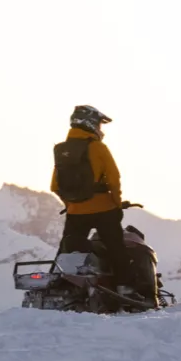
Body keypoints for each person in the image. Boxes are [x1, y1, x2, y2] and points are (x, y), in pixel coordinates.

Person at [50, 105, 133, 292]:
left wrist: (71, 204)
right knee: (115, 248)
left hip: (75, 212)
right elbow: (113, 178)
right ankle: (124, 287)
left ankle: (58, 286)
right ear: (91, 124)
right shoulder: (98, 147)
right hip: (104, 209)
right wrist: (116, 203)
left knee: (68, 247)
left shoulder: (62, 150)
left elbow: (55, 186)